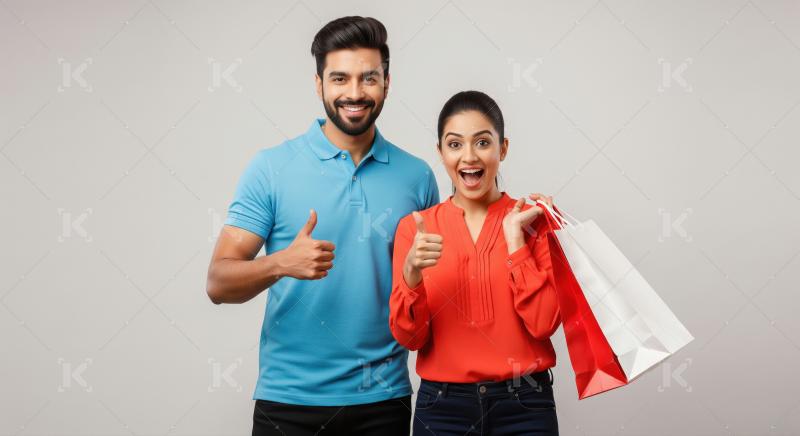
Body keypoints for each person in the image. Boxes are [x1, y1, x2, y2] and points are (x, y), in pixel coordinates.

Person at [206, 16, 439, 436]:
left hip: (383, 402)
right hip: (289, 403)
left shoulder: (417, 177)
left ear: (387, 83)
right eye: (339, 79)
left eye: (368, 78)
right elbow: (218, 283)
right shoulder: (271, 168)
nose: (354, 93)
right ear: (319, 85)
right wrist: (279, 263)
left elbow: (430, 295)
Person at [390, 90, 561, 435]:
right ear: (440, 153)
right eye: (454, 145)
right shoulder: (415, 229)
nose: (469, 156)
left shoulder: (533, 221)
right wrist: (411, 275)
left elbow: (544, 324)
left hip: (525, 406)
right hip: (442, 409)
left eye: (482, 142)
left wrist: (517, 245)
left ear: (503, 148)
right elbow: (410, 338)